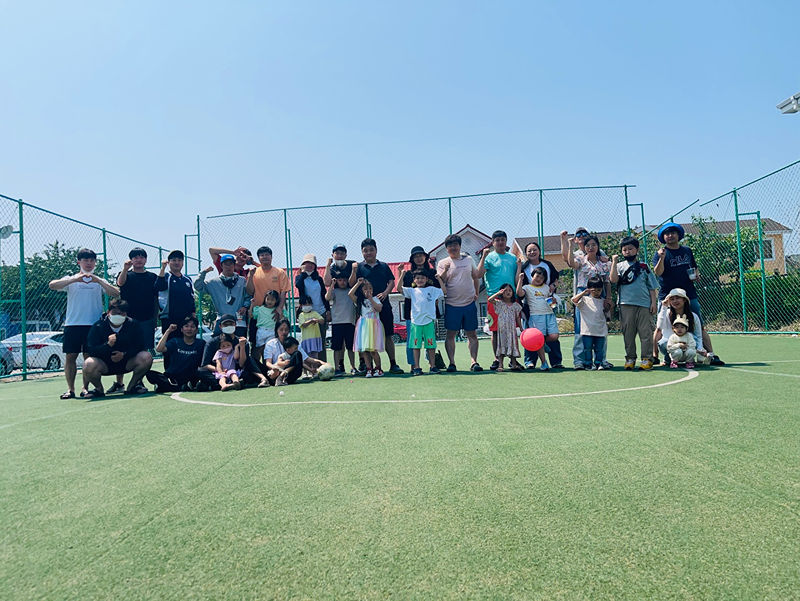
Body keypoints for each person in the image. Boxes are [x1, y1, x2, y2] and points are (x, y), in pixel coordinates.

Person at [48, 248, 120, 399]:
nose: (89, 263)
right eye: (85, 260)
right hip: (73, 324)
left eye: (92, 260)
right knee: (71, 357)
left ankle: (85, 388)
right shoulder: (71, 280)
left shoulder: (99, 281)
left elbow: (115, 293)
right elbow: (52, 285)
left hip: (93, 325)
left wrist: (98, 280)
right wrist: (75, 279)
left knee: (89, 357)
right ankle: (70, 389)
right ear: (79, 262)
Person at [653, 222, 724, 366]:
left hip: (688, 293)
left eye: (673, 232)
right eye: (666, 233)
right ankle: (654, 355)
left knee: (699, 323)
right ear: (663, 237)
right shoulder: (660, 253)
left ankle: (710, 353)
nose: (670, 235)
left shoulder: (686, 251)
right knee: (661, 326)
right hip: (667, 294)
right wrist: (661, 257)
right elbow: (658, 272)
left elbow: (694, 268)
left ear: (679, 235)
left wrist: (696, 275)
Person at [561, 231, 613, 370]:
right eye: (588, 245)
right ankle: (579, 360)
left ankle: (601, 360)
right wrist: (570, 245)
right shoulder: (581, 260)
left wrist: (608, 297)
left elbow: (608, 281)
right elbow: (571, 262)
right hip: (583, 294)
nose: (590, 247)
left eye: (593, 245)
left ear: (598, 246)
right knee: (581, 328)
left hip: (599, 295)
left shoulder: (604, 263)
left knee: (601, 327)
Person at [82, 299, 153, 398]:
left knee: (146, 357)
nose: (118, 316)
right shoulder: (98, 326)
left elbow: (139, 345)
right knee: (88, 363)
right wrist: (107, 345)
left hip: (126, 362)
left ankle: (132, 387)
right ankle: (98, 389)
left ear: (126, 314)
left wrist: (124, 354)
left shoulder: (133, 324)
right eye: (115, 313)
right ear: (108, 312)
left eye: (122, 314)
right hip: (104, 364)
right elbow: (91, 349)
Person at [113, 247, 159, 394]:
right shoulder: (125, 274)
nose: (138, 260)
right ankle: (119, 383)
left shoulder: (152, 277)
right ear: (131, 260)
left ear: (145, 260)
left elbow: (155, 299)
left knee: (145, 351)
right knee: (121, 348)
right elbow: (120, 284)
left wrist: (155, 317)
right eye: (135, 257)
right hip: (126, 320)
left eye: (141, 257)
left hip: (147, 319)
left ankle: (138, 382)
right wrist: (125, 269)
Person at [353, 238, 402, 373]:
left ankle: (393, 364)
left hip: (383, 306)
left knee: (388, 335)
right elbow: (353, 283)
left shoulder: (384, 266)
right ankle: (364, 364)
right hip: (365, 309)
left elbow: (391, 281)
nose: (368, 253)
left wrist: (385, 293)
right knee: (363, 337)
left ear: (376, 250)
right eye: (365, 251)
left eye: (371, 250)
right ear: (362, 252)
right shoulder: (360, 267)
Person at [610, 236, 659, 371]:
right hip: (625, 304)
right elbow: (613, 280)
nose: (627, 252)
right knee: (628, 333)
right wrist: (614, 262)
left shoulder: (644, 266)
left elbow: (651, 286)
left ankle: (647, 359)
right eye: (624, 250)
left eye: (630, 249)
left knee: (646, 333)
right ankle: (630, 358)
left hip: (644, 304)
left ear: (637, 249)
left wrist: (653, 303)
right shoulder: (619, 266)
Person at [476, 230, 521, 371]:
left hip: (510, 298)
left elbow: (515, 278)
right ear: (493, 242)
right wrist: (483, 256)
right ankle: (497, 358)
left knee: (512, 330)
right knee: (496, 330)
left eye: (503, 239)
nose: (500, 242)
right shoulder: (489, 257)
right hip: (494, 299)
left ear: (506, 241)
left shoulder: (513, 258)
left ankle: (513, 359)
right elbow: (478, 274)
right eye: (497, 240)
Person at [437, 234, 482, 372]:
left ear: (460, 246)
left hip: (469, 304)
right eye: (450, 245)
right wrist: (445, 270)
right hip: (451, 304)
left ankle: (474, 362)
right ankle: (452, 363)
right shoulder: (442, 263)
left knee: (472, 333)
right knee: (450, 334)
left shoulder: (468, 260)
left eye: (455, 244)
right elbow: (441, 281)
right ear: (446, 248)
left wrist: (476, 293)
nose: (453, 247)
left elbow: (475, 277)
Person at [518, 241, 562, 369]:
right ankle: (530, 361)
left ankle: (556, 361)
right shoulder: (524, 267)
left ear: (539, 251)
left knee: (552, 335)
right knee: (532, 334)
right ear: (526, 253)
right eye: (529, 250)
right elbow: (520, 289)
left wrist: (553, 286)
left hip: (547, 304)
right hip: (531, 308)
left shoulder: (547, 264)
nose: (532, 252)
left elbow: (555, 278)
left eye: (534, 249)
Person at [397, 266, 447, 376]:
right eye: (417, 278)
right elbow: (399, 289)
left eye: (422, 278)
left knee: (430, 345)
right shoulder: (412, 291)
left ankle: (433, 366)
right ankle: (417, 367)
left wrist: (439, 279)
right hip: (416, 322)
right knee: (416, 346)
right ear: (414, 280)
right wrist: (401, 275)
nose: (420, 280)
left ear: (427, 279)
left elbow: (444, 291)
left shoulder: (432, 290)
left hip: (429, 322)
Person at [200, 314, 269, 389]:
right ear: (220, 327)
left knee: (250, 362)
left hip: (236, 371)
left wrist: (242, 346)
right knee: (200, 371)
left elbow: (242, 364)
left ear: (235, 325)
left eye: (231, 324)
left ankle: (216, 385)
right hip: (218, 372)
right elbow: (205, 364)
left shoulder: (242, 341)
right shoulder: (212, 343)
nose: (228, 326)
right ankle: (232, 384)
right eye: (225, 324)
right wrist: (221, 370)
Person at [400, 246, 440, 369]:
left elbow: (438, 290)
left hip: (429, 313)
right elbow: (401, 289)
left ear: (425, 257)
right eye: (415, 257)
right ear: (412, 259)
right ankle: (414, 365)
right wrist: (400, 274)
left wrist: (435, 302)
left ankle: (431, 364)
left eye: (421, 256)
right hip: (412, 313)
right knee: (413, 341)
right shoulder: (407, 274)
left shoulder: (432, 273)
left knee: (430, 340)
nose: (419, 258)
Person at [194, 254, 251, 335]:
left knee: (240, 345)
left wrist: (245, 306)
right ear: (221, 265)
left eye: (231, 264)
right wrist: (204, 272)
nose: (228, 266)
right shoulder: (213, 282)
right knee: (219, 345)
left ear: (234, 265)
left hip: (239, 322)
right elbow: (198, 286)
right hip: (221, 320)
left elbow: (248, 296)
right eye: (226, 264)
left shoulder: (242, 281)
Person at [146, 316, 207, 393]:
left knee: (200, 373)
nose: (189, 329)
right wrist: (168, 331)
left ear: (196, 330)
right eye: (186, 326)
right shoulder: (175, 342)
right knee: (150, 374)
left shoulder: (201, 343)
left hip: (190, 375)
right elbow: (159, 349)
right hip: (173, 376)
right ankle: (181, 387)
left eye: (192, 326)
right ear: (182, 329)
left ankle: (166, 387)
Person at [154, 250, 196, 360]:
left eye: (179, 260)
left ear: (183, 262)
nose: (177, 262)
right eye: (173, 260)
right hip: (169, 319)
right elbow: (159, 287)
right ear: (169, 262)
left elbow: (191, 299)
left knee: (187, 347)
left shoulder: (187, 279)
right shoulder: (166, 276)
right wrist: (162, 268)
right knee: (170, 348)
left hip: (186, 321)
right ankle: (169, 373)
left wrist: (193, 317)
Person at [516, 267, 559, 371]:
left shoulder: (546, 288)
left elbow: (551, 304)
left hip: (549, 315)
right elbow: (519, 293)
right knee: (539, 338)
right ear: (532, 275)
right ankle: (544, 363)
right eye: (537, 276)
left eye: (542, 277)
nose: (539, 279)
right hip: (535, 316)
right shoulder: (527, 287)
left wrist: (554, 302)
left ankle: (543, 342)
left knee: (554, 336)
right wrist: (520, 280)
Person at [263, 320, 327, 385]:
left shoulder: (294, 343)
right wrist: (275, 368)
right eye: (281, 330)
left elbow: (306, 359)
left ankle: (282, 378)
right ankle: (279, 378)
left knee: (297, 354)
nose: (284, 332)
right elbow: (268, 363)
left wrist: (322, 363)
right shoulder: (270, 344)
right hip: (276, 372)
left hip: (291, 374)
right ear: (276, 330)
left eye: (286, 330)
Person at [654, 288, 707, 366]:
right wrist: (664, 307)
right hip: (672, 345)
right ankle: (668, 358)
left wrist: (700, 349)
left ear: (684, 300)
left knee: (693, 340)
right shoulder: (666, 313)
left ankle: (689, 359)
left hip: (687, 346)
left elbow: (698, 336)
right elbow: (660, 326)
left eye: (677, 298)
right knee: (663, 343)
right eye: (672, 299)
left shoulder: (693, 316)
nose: (675, 301)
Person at [295, 254, 330, 363]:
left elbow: (324, 295)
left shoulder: (319, 279)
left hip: (320, 312)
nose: (309, 266)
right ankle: (310, 367)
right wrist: (302, 273)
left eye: (312, 264)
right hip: (307, 313)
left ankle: (323, 365)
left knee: (321, 341)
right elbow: (298, 286)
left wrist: (328, 310)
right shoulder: (300, 278)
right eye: (307, 263)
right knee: (308, 341)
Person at [349, 278, 385, 378]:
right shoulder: (359, 301)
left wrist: (370, 299)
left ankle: (378, 368)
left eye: (370, 288)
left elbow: (378, 308)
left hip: (374, 326)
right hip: (363, 326)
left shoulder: (376, 299)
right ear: (361, 290)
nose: (368, 291)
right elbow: (350, 294)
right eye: (365, 289)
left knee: (373, 349)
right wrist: (357, 283)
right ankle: (369, 368)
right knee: (365, 349)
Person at [571, 277, 609, 370]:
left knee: (599, 349)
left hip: (600, 330)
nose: (596, 292)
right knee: (587, 349)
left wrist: (609, 306)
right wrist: (584, 292)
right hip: (587, 330)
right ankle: (588, 363)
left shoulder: (603, 301)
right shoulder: (584, 300)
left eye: (599, 290)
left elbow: (607, 314)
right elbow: (574, 300)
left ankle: (598, 363)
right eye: (593, 290)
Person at [325, 272, 358, 377]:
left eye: (344, 280)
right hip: (337, 323)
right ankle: (337, 368)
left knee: (350, 347)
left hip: (349, 322)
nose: (342, 282)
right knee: (337, 347)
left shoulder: (350, 291)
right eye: (340, 280)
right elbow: (327, 298)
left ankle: (353, 367)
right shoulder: (334, 291)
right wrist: (331, 285)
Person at [486, 283, 523, 372]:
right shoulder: (500, 303)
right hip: (502, 330)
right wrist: (498, 293)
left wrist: (521, 327)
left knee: (513, 345)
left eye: (510, 290)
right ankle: (501, 365)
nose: (508, 292)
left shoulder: (515, 305)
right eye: (505, 291)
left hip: (511, 330)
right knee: (501, 345)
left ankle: (514, 364)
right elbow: (490, 300)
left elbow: (517, 316)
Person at [245, 246, 291, 315]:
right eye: (262, 255)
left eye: (267, 254)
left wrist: (279, 308)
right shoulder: (253, 272)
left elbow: (283, 292)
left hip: (274, 311)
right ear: (258, 258)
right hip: (258, 311)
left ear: (271, 257)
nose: (264, 257)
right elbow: (249, 291)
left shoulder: (280, 272)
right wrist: (251, 276)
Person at [251, 290, 282, 364]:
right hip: (261, 331)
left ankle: (269, 365)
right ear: (265, 299)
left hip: (272, 331)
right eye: (268, 299)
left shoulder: (277, 310)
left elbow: (282, 320)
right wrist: (251, 305)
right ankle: (264, 366)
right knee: (261, 349)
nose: (269, 301)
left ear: (276, 300)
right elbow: (251, 316)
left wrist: (280, 313)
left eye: (272, 299)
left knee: (270, 350)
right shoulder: (259, 309)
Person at [297, 294, 324, 361]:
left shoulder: (315, 313)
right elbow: (303, 324)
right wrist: (311, 321)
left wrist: (317, 320)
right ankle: (306, 371)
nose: (307, 306)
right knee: (306, 357)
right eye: (305, 304)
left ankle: (314, 370)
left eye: (309, 304)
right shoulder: (301, 315)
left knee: (315, 356)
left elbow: (322, 321)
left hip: (315, 338)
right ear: (301, 306)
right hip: (306, 339)